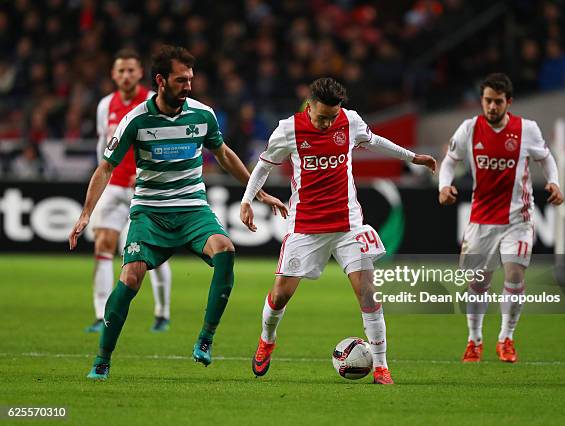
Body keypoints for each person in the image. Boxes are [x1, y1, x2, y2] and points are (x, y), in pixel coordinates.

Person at [69, 45, 287, 380]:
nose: (188, 86)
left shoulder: (203, 115)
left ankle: (205, 338)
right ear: (160, 81)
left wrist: (259, 193)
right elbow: (105, 168)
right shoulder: (135, 120)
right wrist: (86, 214)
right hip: (150, 213)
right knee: (130, 278)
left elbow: (224, 154)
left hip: (191, 210)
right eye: (180, 80)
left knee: (226, 250)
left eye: (190, 79)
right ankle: (103, 358)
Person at [240, 77, 436, 385]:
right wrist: (247, 200)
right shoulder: (288, 129)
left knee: (368, 293)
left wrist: (413, 158)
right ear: (309, 106)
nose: (326, 124)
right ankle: (267, 339)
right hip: (305, 225)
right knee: (279, 296)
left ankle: (382, 367)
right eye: (321, 118)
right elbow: (264, 164)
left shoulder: (350, 121)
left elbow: (375, 141)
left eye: (332, 118)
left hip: (348, 225)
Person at [438, 73, 564, 363]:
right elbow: (450, 162)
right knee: (478, 283)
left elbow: (546, 157)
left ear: (508, 102)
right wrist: (444, 185)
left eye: (497, 101)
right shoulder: (469, 129)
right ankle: (475, 340)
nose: (492, 107)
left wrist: (554, 181)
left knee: (515, 275)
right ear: (481, 100)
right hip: (481, 220)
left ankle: (506, 338)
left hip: (517, 219)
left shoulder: (527, 130)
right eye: (487, 101)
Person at [87, 48, 173, 334]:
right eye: (120, 71)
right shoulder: (105, 105)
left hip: (145, 187)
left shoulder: (151, 102)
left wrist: (149, 173)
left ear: (139, 73)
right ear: (113, 74)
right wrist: (102, 175)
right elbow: (104, 145)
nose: (125, 75)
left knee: (152, 250)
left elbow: (162, 141)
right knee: (103, 244)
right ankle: (101, 315)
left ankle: (162, 312)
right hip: (115, 186)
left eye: (131, 70)